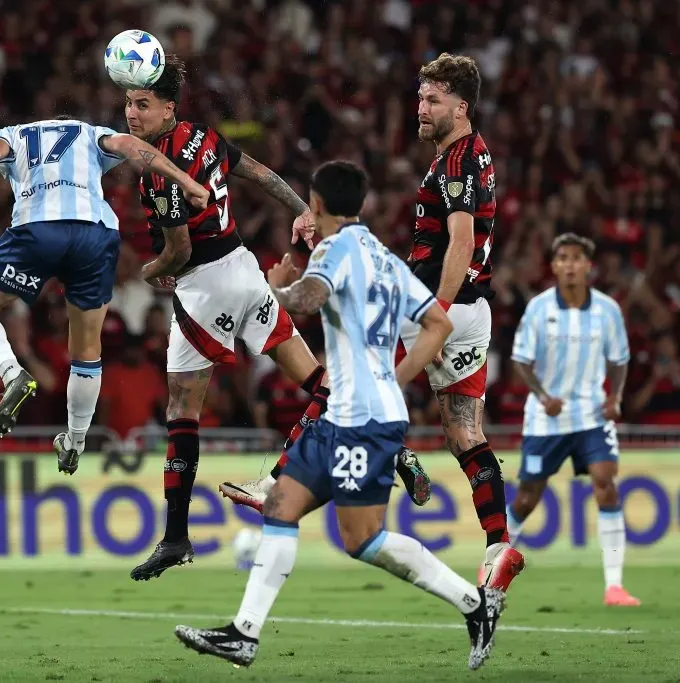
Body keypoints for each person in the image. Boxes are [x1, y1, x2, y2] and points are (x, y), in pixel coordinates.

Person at [174, 161, 505, 672]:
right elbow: (437, 323)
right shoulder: (385, 258)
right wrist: (397, 380)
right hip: (350, 413)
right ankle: (243, 634)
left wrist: (274, 289)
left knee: (362, 539)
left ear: (319, 204)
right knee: (281, 507)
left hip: (362, 420)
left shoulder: (334, 249)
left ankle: (474, 604)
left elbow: (309, 297)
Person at [121, 56, 429, 581]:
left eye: (142, 105)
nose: (132, 114)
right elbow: (259, 172)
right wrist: (301, 210)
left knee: (181, 409)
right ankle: (394, 449)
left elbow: (178, 249)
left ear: (168, 108)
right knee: (318, 381)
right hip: (246, 270)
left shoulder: (159, 171)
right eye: (128, 103)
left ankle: (175, 536)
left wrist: (149, 272)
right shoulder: (204, 137)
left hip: (205, 288)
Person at [0, 119, 208, 465]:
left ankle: (12, 373)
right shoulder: (89, 132)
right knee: (87, 349)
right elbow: (131, 147)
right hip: (95, 234)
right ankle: (74, 441)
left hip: (38, 229)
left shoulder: (14, 135)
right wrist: (187, 181)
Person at [397, 52, 524, 589]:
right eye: (421, 98)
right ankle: (499, 546)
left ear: (462, 107)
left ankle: (395, 454)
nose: (421, 108)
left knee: (347, 375)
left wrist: (436, 315)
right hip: (476, 310)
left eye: (433, 100)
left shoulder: (454, 163)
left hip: (435, 304)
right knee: (465, 434)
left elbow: (462, 241)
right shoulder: (474, 153)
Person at [508, 233, 638, 606]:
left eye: (576, 258)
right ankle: (492, 569)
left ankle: (614, 586)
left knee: (605, 483)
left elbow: (619, 359)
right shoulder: (538, 308)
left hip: (591, 415)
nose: (569, 264)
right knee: (527, 499)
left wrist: (615, 397)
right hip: (545, 420)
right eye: (562, 258)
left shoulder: (608, 310)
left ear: (587, 266)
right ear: (554, 266)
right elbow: (520, 360)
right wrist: (543, 396)